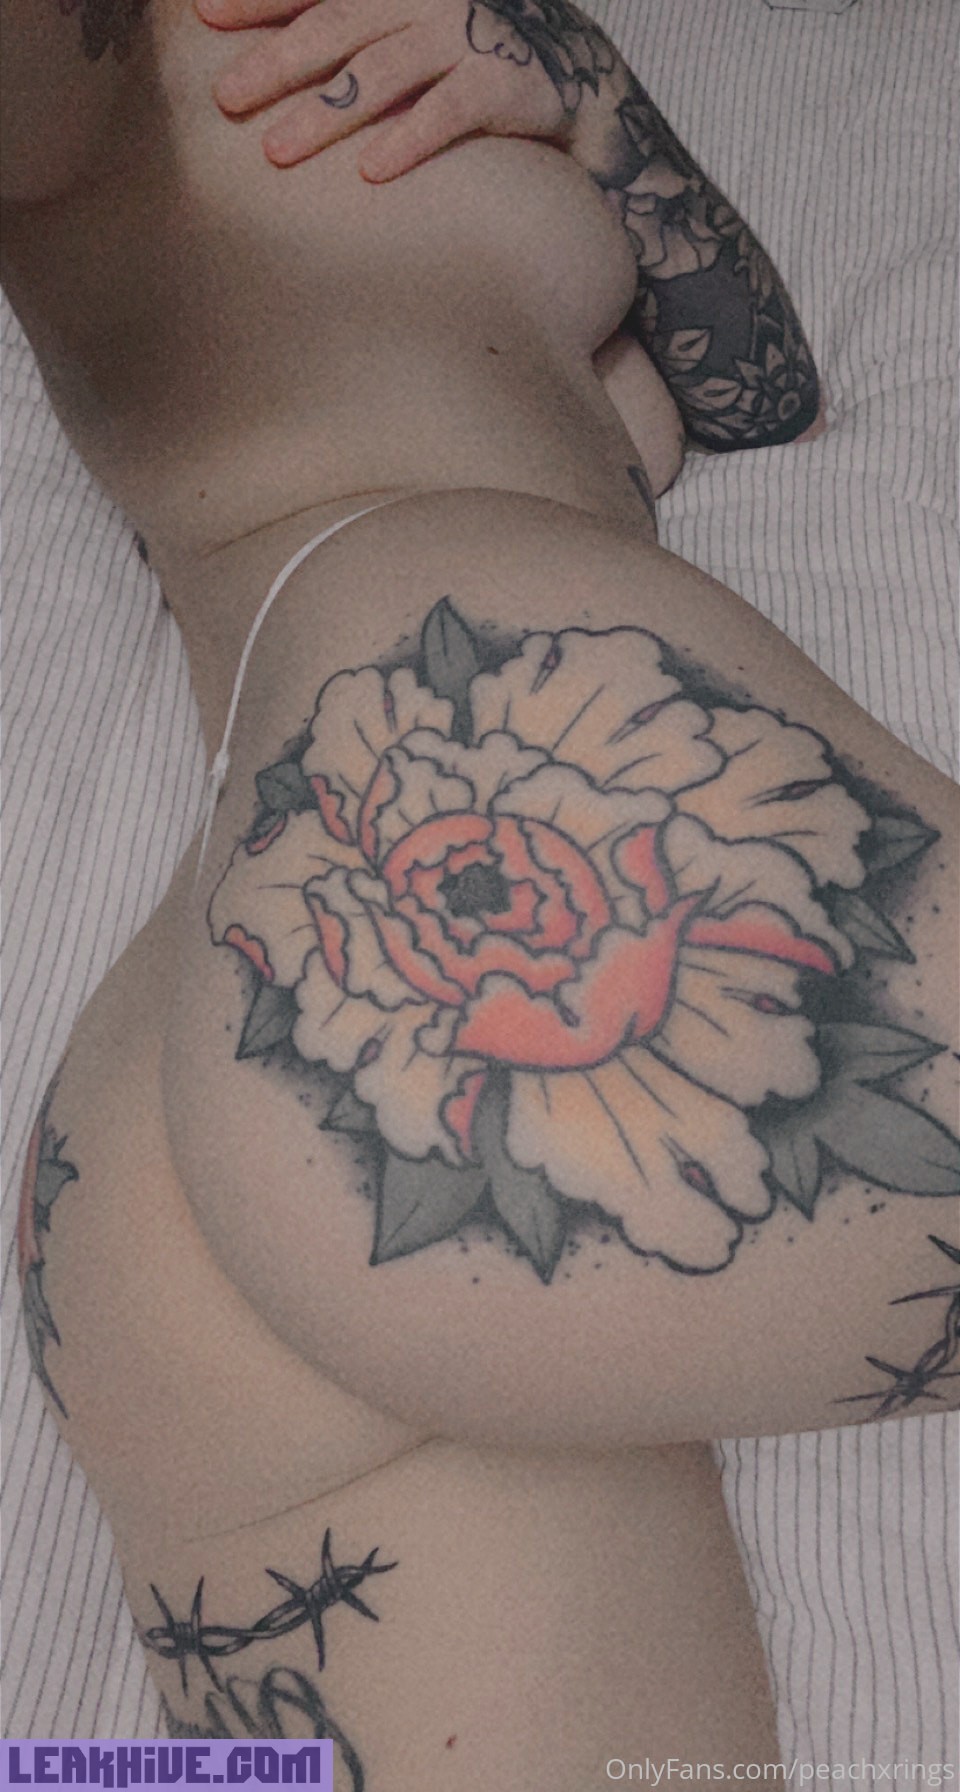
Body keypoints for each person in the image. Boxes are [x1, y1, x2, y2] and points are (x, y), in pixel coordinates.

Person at [4, 0, 957, 1775]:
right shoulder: (136, 60)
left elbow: (761, 387)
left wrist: (583, 85)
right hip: (461, 758)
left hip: (180, 1148)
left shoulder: (464, 36)